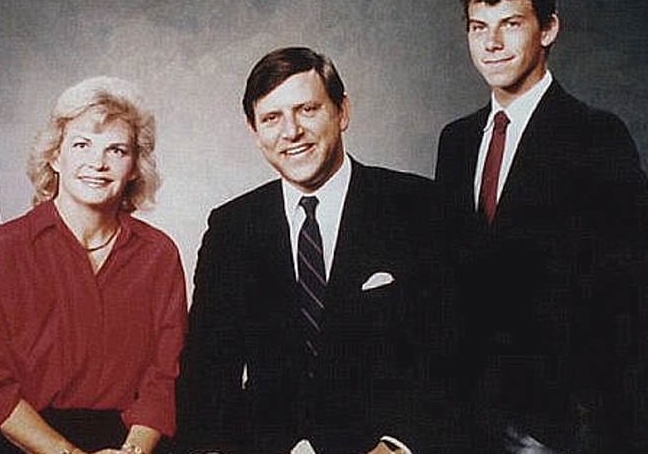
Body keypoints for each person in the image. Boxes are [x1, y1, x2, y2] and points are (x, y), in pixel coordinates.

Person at [177, 47, 452, 454]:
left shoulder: (418, 207)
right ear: (254, 131)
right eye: (272, 118)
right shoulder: (232, 227)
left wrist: (397, 445)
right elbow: (206, 370)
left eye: (307, 110)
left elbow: (450, 351)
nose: (291, 132)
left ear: (342, 112)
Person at [434, 0, 648, 451]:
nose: (492, 43)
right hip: (465, 422)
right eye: (478, 27)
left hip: (561, 426)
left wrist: (581, 434)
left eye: (510, 24)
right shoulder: (456, 141)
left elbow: (633, 299)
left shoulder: (595, 136)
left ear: (548, 29)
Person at [0, 76, 187, 454]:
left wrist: (132, 452)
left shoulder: (158, 256)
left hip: (130, 443)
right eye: (82, 145)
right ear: (55, 156)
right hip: (26, 442)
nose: (98, 163)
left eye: (116, 150)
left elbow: (163, 378)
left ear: (134, 167)